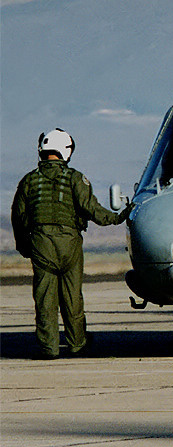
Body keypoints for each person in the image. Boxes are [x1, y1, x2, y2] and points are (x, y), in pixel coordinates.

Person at [11, 129, 130, 359]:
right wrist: (118, 217)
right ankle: (77, 343)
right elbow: (91, 209)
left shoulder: (28, 180)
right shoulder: (76, 178)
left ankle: (49, 348)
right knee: (72, 296)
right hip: (70, 243)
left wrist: (24, 246)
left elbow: (19, 216)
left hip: (41, 244)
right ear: (66, 150)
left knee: (45, 298)